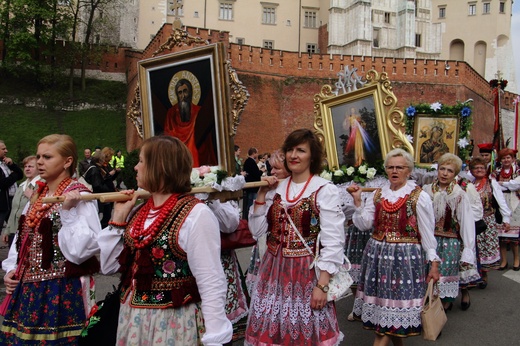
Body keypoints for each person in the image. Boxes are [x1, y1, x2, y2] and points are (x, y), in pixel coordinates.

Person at [98, 135, 232, 345]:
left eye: (141, 161)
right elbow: (109, 267)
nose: (135, 168)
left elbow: (211, 281)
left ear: (159, 166)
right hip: (133, 321)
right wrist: (117, 220)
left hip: (172, 323)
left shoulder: (196, 214)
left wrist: (215, 338)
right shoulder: (139, 211)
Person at [246, 129, 346, 345]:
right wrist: (262, 194)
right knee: (275, 333)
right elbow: (257, 231)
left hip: (306, 273)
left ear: (313, 156)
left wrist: (322, 286)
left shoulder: (324, 190)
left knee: (303, 333)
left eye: (301, 150)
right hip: (273, 271)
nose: (293, 155)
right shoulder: (276, 188)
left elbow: (334, 241)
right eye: (290, 149)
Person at [0, 134, 101, 344]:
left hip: (62, 289)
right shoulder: (38, 197)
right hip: (28, 289)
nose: (39, 162)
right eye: (38, 156)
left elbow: (83, 250)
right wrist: (11, 269)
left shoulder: (79, 197)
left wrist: (69, 213)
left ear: (67, 161)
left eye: (47, 157)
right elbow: (22, 241)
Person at [348, 148, 440, 344]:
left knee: (390, 316)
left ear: (409, 170)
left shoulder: (418, 196)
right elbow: (364, 224)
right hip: (377, 256)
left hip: (405, 258)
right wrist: (357, 202)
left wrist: (433, 263)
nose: (394, 171)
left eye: (400, 167)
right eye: (390, 167)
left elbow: (427, 232)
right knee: (384, 310)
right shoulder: (379, 194)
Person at [423, 153, 478, 311]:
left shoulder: (459, 195)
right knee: (428, 270)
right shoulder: (427, 191)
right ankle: (430, 299)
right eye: (442, 169)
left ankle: (444, 302)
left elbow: (466, 221)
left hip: (449, 240)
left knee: (446, 270)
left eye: (449, 171)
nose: (445, 173)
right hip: (430, 238)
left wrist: (468, 247)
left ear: (455, 175)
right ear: (437, 170)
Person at [245, 149, 289, 294]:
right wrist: (262, 192)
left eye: (277, 168)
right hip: (270, 252)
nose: (272, 172)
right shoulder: (269, 192)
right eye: (271, 168)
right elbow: (256, 230)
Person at [469, 157, 511, 289]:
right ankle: (472, 275)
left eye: (482, 167)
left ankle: (484, 275)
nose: (479, 170)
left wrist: (506, 219)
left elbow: (501, 201)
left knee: (484, 249)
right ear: (471, 171)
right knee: (472, 248)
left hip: (487, 221)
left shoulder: (492, 183)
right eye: (476, 168)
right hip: (471, 221)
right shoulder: (468, 184)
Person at [491, 148, 520, 270]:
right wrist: (506, 184)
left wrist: (503, 184)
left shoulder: (517, 170)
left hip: (515, 201)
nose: (506, 160)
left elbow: (517, 184)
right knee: (501, 236)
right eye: (503, 158)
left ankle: (516, 260)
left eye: (508, 157)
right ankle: (503, 261)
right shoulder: (497, 171)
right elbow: (493, 184)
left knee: (514, 237)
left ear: (513, 158)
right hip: (500, 201)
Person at [1, 156, 39, 247]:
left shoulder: (42, 184)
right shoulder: (22, 186)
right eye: (25, 166)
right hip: (14, 231)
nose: (27, 169)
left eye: (31, 166)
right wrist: (7, 230)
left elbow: (44, 206)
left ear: (39, 168)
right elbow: (14, 210)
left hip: (29, 231)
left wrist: (32, 197)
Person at [163, 79, 202, 167]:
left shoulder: (199, 111)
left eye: (185, 91)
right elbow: (167, 136)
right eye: (180, 93)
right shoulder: (171, 113)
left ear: (191, 92)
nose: (183, 96)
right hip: (177, 155)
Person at [85, 147, 118, 228]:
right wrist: (110, 191)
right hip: (101, 196)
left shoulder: (98, 168)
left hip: (104, 195)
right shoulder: (95, 169)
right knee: (104, 217)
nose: (105, 161)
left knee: (106, 216)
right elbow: (97, 185)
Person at [0, 140, 23, 230]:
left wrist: (13, 165)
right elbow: (3, 184)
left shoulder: (5, 162)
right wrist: (14, 175)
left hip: (11, 201)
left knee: (13, 228)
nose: (6, 151)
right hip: (2, 203)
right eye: (3, 149)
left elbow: (20, 175)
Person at [242, 147, 263, 220]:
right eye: (257, 153)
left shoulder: (248, 161)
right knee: (251, 204)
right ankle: (249, 218)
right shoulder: (251, 162)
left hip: (250, 187)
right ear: (254, 153)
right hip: (252, 187)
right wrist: (261, 171)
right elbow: (256, 174)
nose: (257, 155)